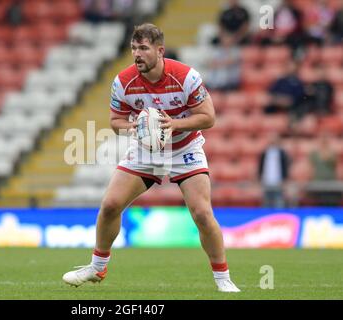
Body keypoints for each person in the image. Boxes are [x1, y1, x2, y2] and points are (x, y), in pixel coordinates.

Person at [62, 23, 240, 293]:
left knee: (202, 213)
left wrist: (175, 125)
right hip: (146, 149)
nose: (137, 54)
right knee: (110, 204)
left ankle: (223, 279)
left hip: (184, 148)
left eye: (143, 48)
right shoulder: (123, 81)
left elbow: (209, 117)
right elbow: (115, 121)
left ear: (160, 50)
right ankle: (97, 267)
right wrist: (131, 127)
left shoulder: (186, 76)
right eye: (134, 48)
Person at [258, 133, 290, 208]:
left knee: (278, 203)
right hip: (266, 182)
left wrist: (285, 179)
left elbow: (285, 167)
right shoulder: (264, 153)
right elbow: (261, 167)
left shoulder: (282, 154)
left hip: (279, 183)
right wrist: (260, 178)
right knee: (266, 203)